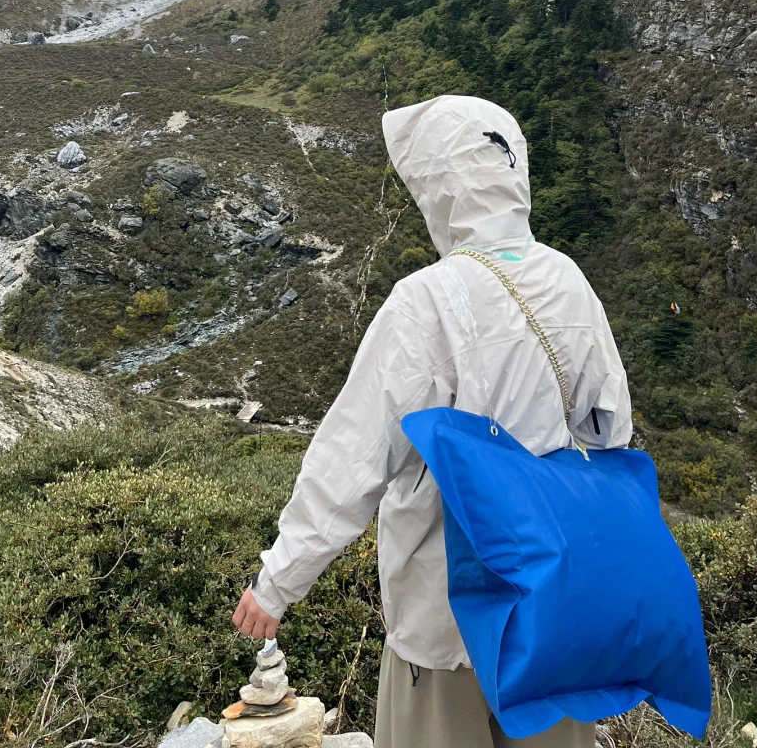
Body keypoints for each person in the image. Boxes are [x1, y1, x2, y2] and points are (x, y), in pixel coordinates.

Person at [232, 94, 633, 748]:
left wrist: (277, 584)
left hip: (444, 615)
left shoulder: (426, 303)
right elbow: (610, 436)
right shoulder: (568, 282)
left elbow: (351, 462)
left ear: (441, 188)